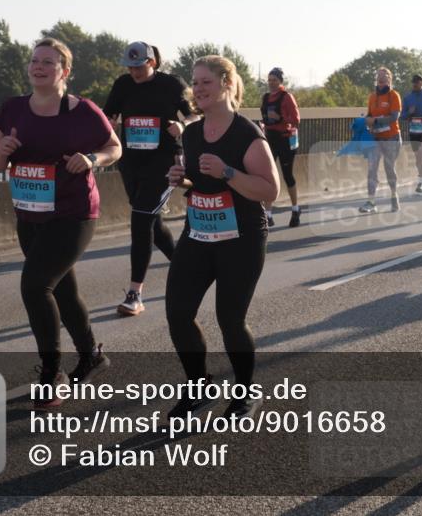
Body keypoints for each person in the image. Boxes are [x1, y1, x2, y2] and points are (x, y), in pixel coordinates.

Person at [0, 38, 122, 405]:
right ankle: (92, 354)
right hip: (30, 213)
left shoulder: (83, 111)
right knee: (61, 288)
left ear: (65, 71)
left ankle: (52, 372)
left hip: (73, 213)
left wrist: (93, 158)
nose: (38, 66)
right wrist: (3, 152)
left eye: (48, 61)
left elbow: (115, 147)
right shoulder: (12, 110)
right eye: (35, 61)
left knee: (35, 286)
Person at [165, 56, 280, 419]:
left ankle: (246, 392)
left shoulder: (247, 135)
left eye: (205, 83)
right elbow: (198, 180)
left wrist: (228, 171)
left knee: (230, 319)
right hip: (199, 233)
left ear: (226, 84)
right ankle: (199, 386)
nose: (197, 90)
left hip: (241, 238)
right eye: (195, 83)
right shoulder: (193, 132)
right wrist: (181, 178)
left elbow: (269, 191)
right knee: (178, 312)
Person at [103, 41, 196, 317]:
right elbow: (109, 115)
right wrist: (107, 125)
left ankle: (135, 294)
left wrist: (183, 125)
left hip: (164, 161)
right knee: (152, 222)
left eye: (139, 66)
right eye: (130, 67)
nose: (134, 72)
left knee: (141, 218)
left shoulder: (172, 84)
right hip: (131, 162)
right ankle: (187, 270)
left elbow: (194, 113)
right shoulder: (123, 84)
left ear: (152, 62)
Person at [260, 67, 301, 227]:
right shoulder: (265, 98)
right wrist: (263, 124)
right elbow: (264, 116)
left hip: (285, 139)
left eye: (274, 80)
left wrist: (281, 117)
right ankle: (268, 214)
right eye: (269, 80)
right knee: (268, 175)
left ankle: (295, 209)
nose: (271, 83)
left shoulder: (287, 97)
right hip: (270, 139)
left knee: (287, 175)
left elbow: (296, 120)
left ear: (280, 81)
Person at [359, 67, 402, 214]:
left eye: (384, 77)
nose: (381, 79)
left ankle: (394, 196)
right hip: (376, 138)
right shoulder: (372, 97)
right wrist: (364, 121)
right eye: (379, 77)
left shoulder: (394, 95)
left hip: (392, 137)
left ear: (389, 79)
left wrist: (375, 121)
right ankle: (371, 201)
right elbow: (369, 115)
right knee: (372, 170)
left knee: (389, 169)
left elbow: (394, 117)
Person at [401, 74, 422, 192]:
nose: (414, 84)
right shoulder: (408, 98)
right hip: (414, 130)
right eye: (413, 82)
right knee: (418, 157)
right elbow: (402, 116)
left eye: (417, 82)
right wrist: (409, 113)